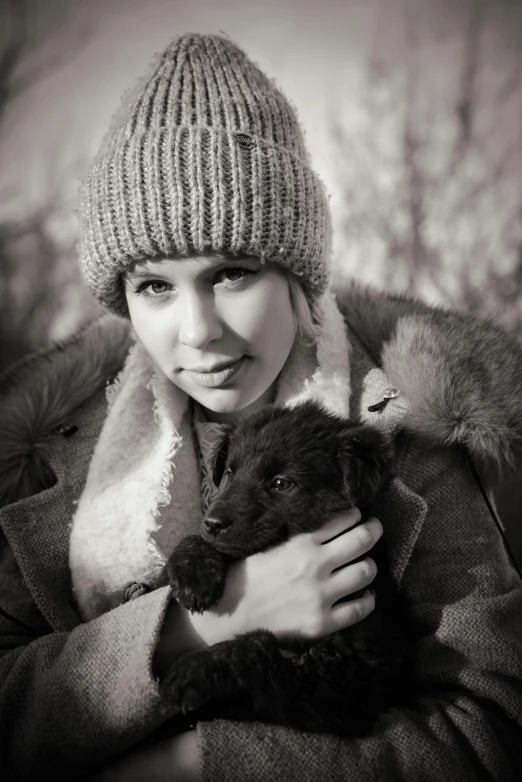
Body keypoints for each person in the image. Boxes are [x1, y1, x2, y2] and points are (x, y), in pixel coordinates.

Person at [0, 32, 521, 782]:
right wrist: (192, 626)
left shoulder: (407, 435)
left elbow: (492, 731)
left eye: (233, 272)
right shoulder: (48, 452)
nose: (199, 331)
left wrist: (193, 765)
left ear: (297, 277)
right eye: (154, 286)